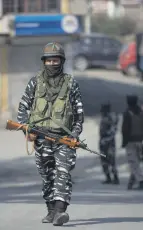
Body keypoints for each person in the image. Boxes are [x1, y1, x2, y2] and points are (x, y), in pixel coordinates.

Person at [17, 42, 84, 226]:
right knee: (47, 176)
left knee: (63, 172)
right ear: (44, 62)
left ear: (61, 61)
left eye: (56, 60)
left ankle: (60, 212)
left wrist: (75, 135)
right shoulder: (35, 82)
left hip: (64, 139)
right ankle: (51, 210)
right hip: (41, 138)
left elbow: (79, 114)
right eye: (49, 60)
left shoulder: (71, 83)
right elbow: (23, 109)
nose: (53, 64)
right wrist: (26, 130)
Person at [122, 94, 143, 190]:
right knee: (136, 162)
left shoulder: (127, 113)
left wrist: (124, 141)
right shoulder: (140, 112)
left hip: (130, 141)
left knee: (133, 163)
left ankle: (140, 181)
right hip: (140, 140)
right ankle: (132, 181)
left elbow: (125, 129)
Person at [99, 103, 119, 184]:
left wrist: (106, 140)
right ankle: (109, 177)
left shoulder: (109, 119)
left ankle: (114, 178)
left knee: (110, 161)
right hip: (106, 142)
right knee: (106, 161)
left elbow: (113, 131)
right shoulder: (107, 118)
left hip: (108, 143)